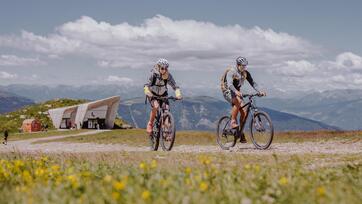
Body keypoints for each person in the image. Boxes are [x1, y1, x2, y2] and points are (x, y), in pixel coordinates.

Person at [220, 57, 266, 143]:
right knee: (238, 101)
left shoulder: (245, 73)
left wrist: (259, 91)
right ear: (238, 65)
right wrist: (236, 91)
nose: (244, 67)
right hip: (228, 91)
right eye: (242, 66)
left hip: (237, 92)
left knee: (244, 113)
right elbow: (230, 84)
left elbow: (253, 83)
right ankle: (233, 121)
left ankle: (240, 133)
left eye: (245, 66)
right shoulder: (232, 72)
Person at [144, 58, 182, 135]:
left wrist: (178, 95)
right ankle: (150, 124)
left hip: (163, 94)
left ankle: (167, 132)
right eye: (162, 68)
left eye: (166, 68)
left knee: (166, 111)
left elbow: (175, 86)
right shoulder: (153, 75)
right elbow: (146, 86)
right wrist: (148, 92)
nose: (164, 70)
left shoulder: (168, 76)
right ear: (158, 67)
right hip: (152, 94)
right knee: (156, 106)